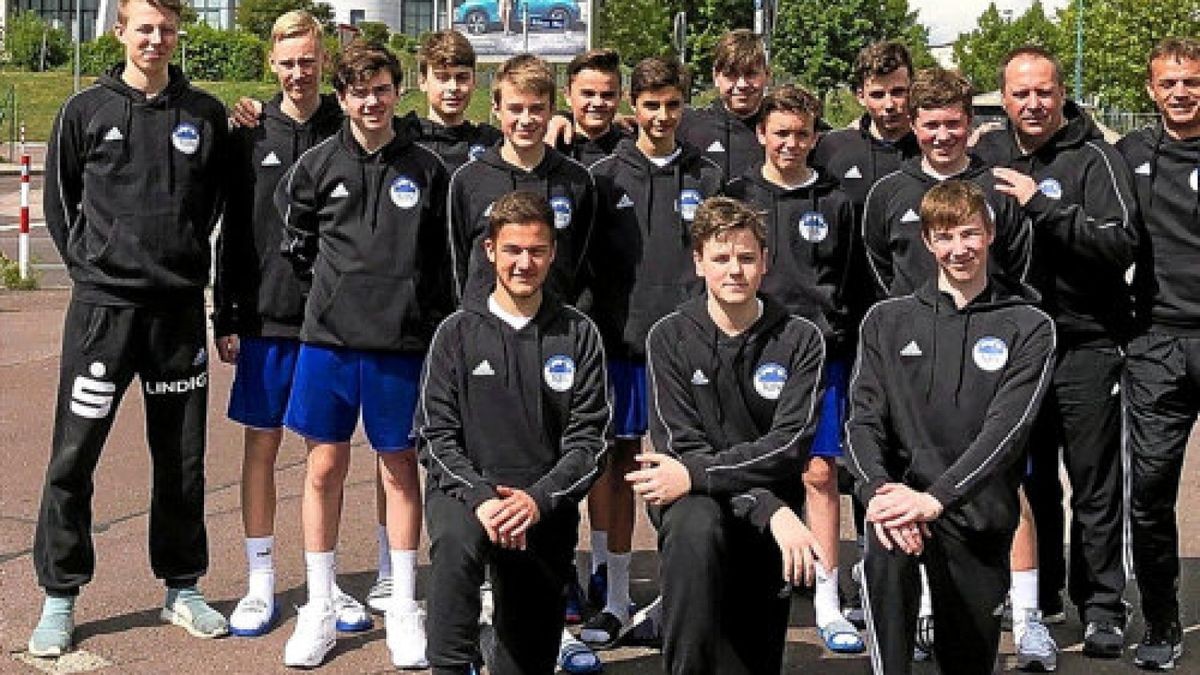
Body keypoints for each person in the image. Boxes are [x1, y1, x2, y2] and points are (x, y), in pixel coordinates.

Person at [29, 0, 231, 656]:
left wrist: (179, 263)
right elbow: (61, 205)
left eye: (167, 28)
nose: (155, 38)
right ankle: (60, 594)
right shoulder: (84, 111)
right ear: (120, 31)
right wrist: (94, 268)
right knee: (73, 456)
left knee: (182, 460)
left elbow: (216, 204)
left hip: (175, 315)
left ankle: (182, 587)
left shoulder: (204, 115)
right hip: (102, 315)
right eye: (143, 26)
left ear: (178, 35)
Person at [274, 40, 451, 669]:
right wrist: (331, 298)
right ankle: (319, 605)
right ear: (342, 97)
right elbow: (296, 245)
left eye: (381, 89)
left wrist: (421, 323)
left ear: (396, 91)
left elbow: (441, 264)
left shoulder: (428, 169)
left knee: (401, 470)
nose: (371, 101)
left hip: (400, 348)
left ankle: (404, 605)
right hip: (327, 344)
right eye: (358, 91)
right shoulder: (317, 166)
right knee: (322, 470)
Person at [846, 180, 1056, 675]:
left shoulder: (1029, 324)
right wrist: (880, 491)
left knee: (966, 659)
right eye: (944, 237)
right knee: (886, 560)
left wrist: (937, 498)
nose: (958, 249)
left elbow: (1007, 432)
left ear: (990, 233)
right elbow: (862, 421)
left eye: (969, 234)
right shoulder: (885, 320)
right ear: (926, 241)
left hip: (976, 511)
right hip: (898, 508)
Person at [211, 10, 374, 638]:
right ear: (271, 64)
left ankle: (324, 585)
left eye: (309, 61)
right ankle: (258, 584)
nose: (299, 73)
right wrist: (224, 311)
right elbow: (232, 229)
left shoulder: (351, 126)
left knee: (327, 456)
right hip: (261, 316)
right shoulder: (246, 133)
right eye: (288, 62)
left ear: (324, 62)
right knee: (262, 446)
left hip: (333, 322)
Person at [976, 45, 1140, 658]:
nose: (1033, 103)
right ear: (1005, 97)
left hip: (1087, 344)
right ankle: (1037, 598)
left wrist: (1042, 205)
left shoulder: (1096, 156)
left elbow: (1119, 244)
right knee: (1029, 480)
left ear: (1061, 92)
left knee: (1095, 483)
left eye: (1043, 91)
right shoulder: (987, 154)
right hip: (1015, 351)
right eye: (1020, 93)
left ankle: (1102, 606)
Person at [417, 190, 610, 675]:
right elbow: (435, 436)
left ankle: (501, 645)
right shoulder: (456, 333)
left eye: (537, 251)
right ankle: (450, 662)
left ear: (553, 253)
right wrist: (481, 496)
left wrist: (537, 500)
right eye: (513, 251)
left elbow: (589, 444)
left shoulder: (579, 334)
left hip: (540, 500)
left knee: (524, 661)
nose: (524, 263)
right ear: (490, 251)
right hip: (467, 493)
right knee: (458, 549)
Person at [637, 196, 827, 674]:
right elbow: (681, 447)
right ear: (699, 262)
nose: (735, 270)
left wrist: (766, 507)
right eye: (721, 258)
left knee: (750, 659)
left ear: (765, 261)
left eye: (746, 257)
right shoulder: (668, 337)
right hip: (700, 506)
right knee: (693, 524)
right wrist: (768, 506)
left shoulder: (801, 338)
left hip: (767, 514)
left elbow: (789, 444)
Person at [583, 55, 724, 648]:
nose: (662, 116)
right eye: (650, 105)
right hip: (618, 347)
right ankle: (613, 595)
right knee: (614, 470)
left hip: (687, 353)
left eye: (672, 105)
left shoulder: (709, 177)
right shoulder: (601, 175)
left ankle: (679, 598)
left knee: (685, 472)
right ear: (632, 108)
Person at [724, 84, 862, 655]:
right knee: (748, 471)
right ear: (761, 134)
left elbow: (852, 279)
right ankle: (743, 580)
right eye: (780, 132)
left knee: (820, 474)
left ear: (816, 136)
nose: (791, 143)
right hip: (751, 352)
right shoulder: (736, 195)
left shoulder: (835, 200)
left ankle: (828, 597)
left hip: (820, 356)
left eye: (802, 133)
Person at [1116, 36, 1200, 671]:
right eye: (1169, 82)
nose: (1181, 92)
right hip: (1156, 343)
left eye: (1191, 80)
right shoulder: (1130, 155)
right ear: (1151, 90)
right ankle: (1163, 621)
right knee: (1147, 492)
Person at [862, 66, 1030, 299]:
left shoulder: (1001, 188)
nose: (942, 137)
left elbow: (1018, 265)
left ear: (969, 122)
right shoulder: (886, 192)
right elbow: (878, 268)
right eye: (931, 126)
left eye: (952, 124)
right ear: (913, 124)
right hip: (912, 327)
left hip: (987, 323)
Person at [447, 53, 595, 304]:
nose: (526, 120)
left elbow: (581, 263)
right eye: (515, 109)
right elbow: (456, 268)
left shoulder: (577, 180)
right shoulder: (467, 180)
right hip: (484, 330)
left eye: (536, 109)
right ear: (496, 109)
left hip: (554, 332)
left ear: (551, 110)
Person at [811, 41, 919, 209]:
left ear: (912, 89)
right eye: (878, 95)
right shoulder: (831, 147)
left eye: (898, 92)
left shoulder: (931, 148)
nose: (889, 104)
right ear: (860, 96)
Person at [676, 29, 770, 181]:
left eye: (751, 74)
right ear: (715, 76)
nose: (742, 85)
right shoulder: (687, 124)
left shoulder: (782, 131)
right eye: (731, 75)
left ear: (767, 75)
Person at [411, 29, 503, 175]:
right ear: (422, 82)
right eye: (442, 77)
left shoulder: (493, 144)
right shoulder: (406, 140)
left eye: (462, 77)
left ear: (474, 81)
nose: (453, 87)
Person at [557, 48, 628, 169]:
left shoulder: (631, 151)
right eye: (588, 94)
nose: (598, 103)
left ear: (620, 97)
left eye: (607, 95)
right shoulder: (550, 146)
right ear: (567, 95)